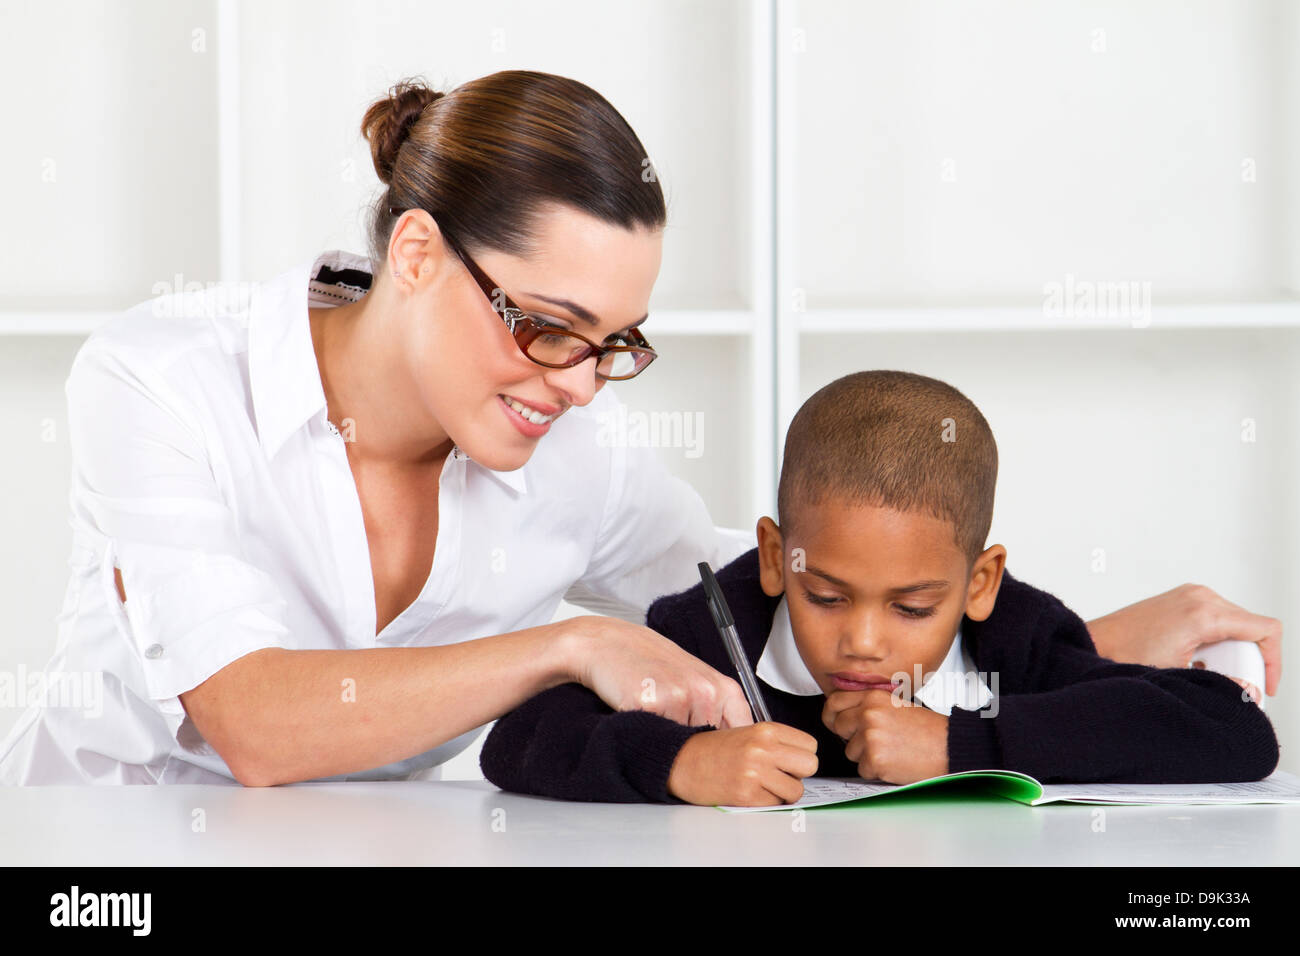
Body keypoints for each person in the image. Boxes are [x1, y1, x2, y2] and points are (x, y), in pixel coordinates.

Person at [0, 71, 1280, 787]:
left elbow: (785, 612)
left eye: (615, 341)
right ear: (416, 251)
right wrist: (563, 647)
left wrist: (1094, 636)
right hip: (103, 860)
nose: (577, 382)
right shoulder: (162, 379)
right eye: (547, 324)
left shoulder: (573, 450)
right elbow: (257, 722)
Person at [479, 371, 1280, 806]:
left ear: (979, 582)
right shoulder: (718, 625)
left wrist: (958, 747)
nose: (863, 639)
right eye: (824, 597)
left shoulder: (1015, 635)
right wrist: (685, 762)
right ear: (774, 558)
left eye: (912, 607)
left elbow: (1237, 735)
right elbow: (519, 738)